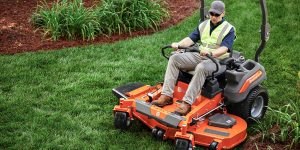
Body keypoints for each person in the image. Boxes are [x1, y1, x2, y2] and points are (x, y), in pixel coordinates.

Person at [151, 0, 236, 116]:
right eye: (212, 14)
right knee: (174, 58)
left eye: (217, 14)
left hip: (217, 60)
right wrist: (178, 44)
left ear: (223, 14)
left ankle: (186, 103)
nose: (214, 17)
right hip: (200, 55)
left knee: (201, 67)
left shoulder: (229, 29)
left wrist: (211, 54)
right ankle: (166, 95)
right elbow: (190, 39)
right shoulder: (204, 25)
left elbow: (225, 48)